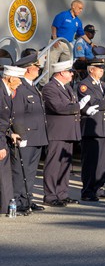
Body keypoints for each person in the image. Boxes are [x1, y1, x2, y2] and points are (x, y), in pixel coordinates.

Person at [10, 53, 48, 214]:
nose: (38, 69)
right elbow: (17, 114)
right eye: (36, 67)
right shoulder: (20, 87)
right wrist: (21, 134)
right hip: (25, 136)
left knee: (31, 171)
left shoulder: (32, 86)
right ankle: (17, 201)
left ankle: (27, 199)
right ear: (27, 69)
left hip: (37, 136)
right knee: (20, 170)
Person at [41, 60, 83, 207]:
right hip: (57, 132)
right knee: (54, 165)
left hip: (68, 132)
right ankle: (50, 195)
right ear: (61, 72)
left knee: (65, 164)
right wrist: (79, 106)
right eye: (69, 71)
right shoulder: (50, 88)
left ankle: (62, 193)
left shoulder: (66, 88)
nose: (72, 73)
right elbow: (59, 108)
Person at [76, 59, 105, 202]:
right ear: (91, 70)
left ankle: (98, 188)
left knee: (102, 161)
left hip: (104, 127)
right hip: (92, 128)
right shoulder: (84, 85)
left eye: (102, 68)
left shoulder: (103, 85)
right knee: (91, 162)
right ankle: (87, 190)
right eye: (99, 68)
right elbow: (94, 102)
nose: (102, 70)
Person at [0, 65, 24, 216]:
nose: (21, 83)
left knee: (4, 175)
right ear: (10, 79)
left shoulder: (6, 91)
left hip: (3, 136)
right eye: (19, 80)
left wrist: (10, 134)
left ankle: (5, 208)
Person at [50, 0, 85, 65]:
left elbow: (82, 34)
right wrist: (55, 39)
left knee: (65, 66)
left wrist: (91, 43)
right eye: (80, 8)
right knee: (51, 65)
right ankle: (48, 75)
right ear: (73, 7)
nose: (81, 10)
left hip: (68, 44)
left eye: (82, 9)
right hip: (58, 42)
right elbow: (54, 26)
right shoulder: (63, 15)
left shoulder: (78, 21)